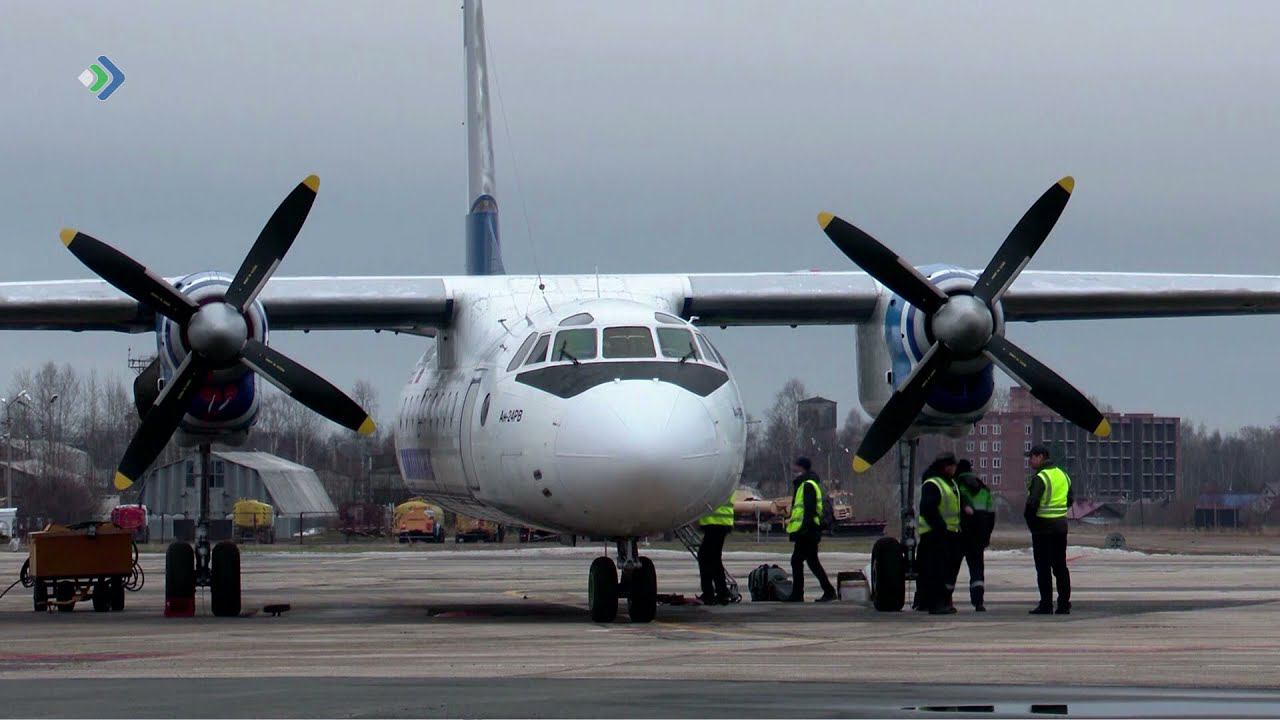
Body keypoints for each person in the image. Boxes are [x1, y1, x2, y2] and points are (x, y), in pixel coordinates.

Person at [1025, 444, 1073, 615]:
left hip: (1043, 529)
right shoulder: (1063, 475)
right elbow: (1070, 499)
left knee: (1043, 568)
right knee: (1060, 566)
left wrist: (1031, 523)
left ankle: (1046, 604)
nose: (1029, 461)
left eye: (1031, 457)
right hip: (1060, 526)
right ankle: (1064, 604)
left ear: (1040, 457)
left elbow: (1032, 503)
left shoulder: (1041, 477)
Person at [785, 457, 836, 602]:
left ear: (802, 468)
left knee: (798, 561)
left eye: (795, 469)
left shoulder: (807, 485)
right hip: (808, 530)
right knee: (810, 561)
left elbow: (809, 510)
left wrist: (803, 529)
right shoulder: (806, 484)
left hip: (807, 531)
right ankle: (827, 590)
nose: (794, 472)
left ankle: (799, 594)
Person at [915, 452, 962, 614]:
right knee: (935, 570)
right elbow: (928, 508)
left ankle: (934, 602)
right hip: (935, 535)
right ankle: (935, 604)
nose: (955, 469)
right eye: (953, 466)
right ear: (946, 467)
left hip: (947, 533)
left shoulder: (948, 483)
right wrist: (941, 527)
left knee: (941, 570)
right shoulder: (934, 483)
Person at [956, 459, 995, 611]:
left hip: (959, 534)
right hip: (978, 536)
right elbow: (991, 515)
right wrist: (986, 535)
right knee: (977, 570)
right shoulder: (984, 489)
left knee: (952, 568)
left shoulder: (956, 486)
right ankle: (978, 602)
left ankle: (946, 599)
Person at [696, 495, 735, 605]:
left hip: (715, 522)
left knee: (706, 557)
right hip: (722, 521)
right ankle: (720, 592)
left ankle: (711, 593)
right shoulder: (727, 480)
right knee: (713, 558)